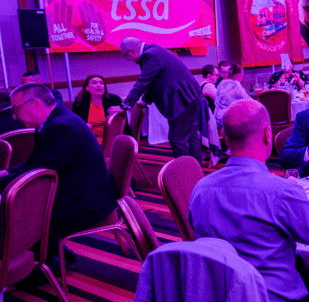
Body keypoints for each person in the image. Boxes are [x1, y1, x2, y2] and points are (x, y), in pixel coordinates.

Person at [188, 99, 309, 302]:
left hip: (222, 294)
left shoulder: (200, 189)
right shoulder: (280, 192)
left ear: (224, 138)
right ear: (267, 134)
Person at [3, 83, 118, 246]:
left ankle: (44, 257)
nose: (14, 117)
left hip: (85, 203)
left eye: (16, 109)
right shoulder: (51, 121)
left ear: (36, 104)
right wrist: (5, 173)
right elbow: (32, 162)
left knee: (15, 215)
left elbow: (39, 174)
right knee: (14, 208)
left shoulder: (62, 127)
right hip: (77, 190)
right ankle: (47, 255)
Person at [113, 38, 203, 161]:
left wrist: (124, 106)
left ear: (132, 51)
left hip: (182, 98)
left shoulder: (150, 55)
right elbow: (153, 81)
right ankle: (195, 169)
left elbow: (143, 82)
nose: (128, 59)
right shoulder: (154, 51)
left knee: (177, 139)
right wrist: (144, 100)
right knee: (191, 136)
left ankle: (185, 171)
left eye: (125, 56)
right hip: (189, 95)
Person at [71, 75, 124, 145]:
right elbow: (74, 122)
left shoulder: (114, 100)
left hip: (112, 139)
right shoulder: (80, 102)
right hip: (88, 140)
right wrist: (83, 125)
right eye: (94, 83)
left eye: (101, 83)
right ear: (87, 88)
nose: (99, 85)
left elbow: (123, 122)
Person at [214, 64, 250, 130]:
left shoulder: (222, 82)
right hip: (227, 120)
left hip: (217, 119)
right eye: (242, 74)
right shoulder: (235, 84)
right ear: (239, 75)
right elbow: (248, 101)